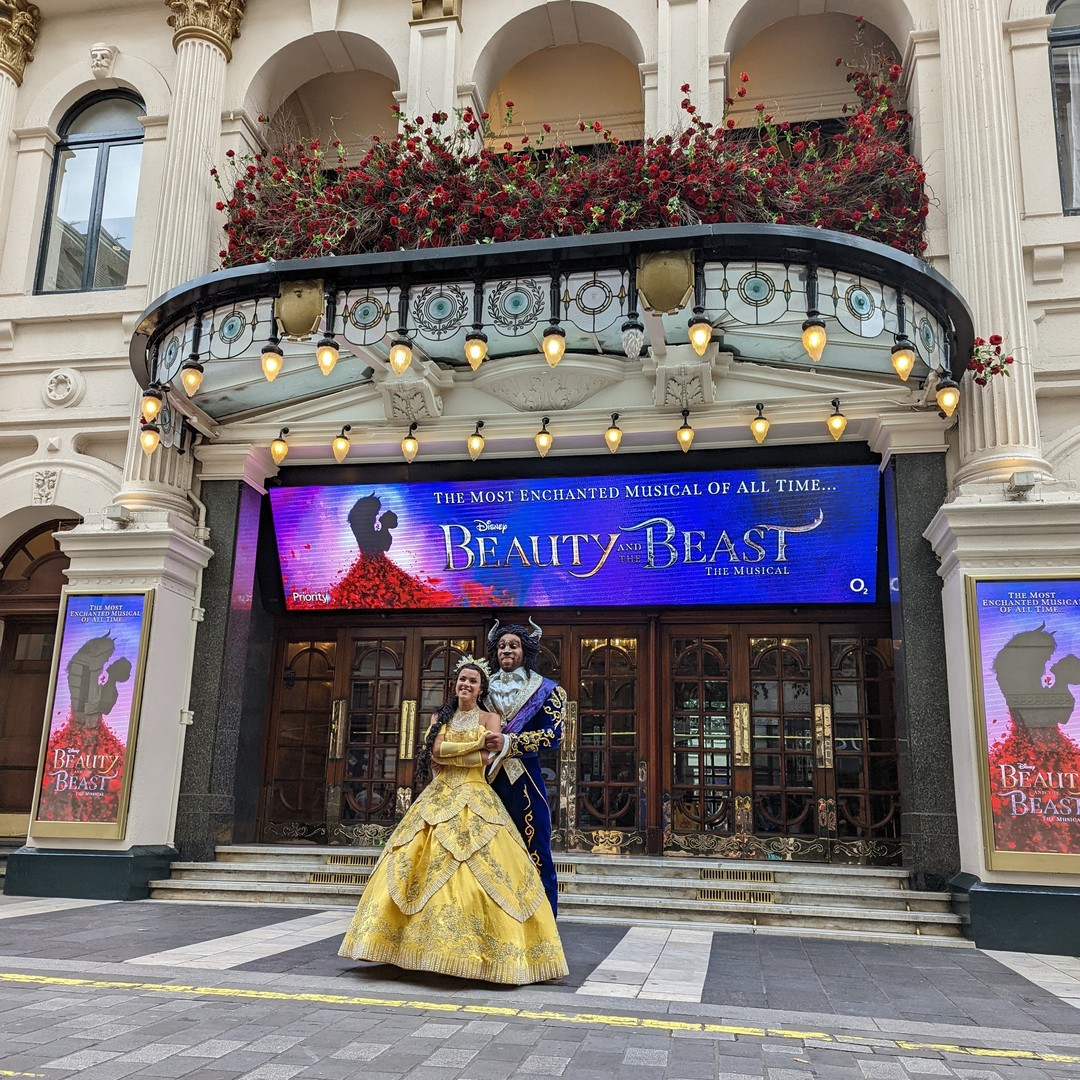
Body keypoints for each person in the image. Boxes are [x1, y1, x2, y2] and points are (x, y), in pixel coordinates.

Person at [338, 658, 567, 985]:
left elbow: (486, 759)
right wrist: (473, 744)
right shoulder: (439, 717)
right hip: (438, 797)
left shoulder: (491, 718)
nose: (466, 685)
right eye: (462, 680)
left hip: (476, 795)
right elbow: (436, 751)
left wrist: (454, 750)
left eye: (473, 681)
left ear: (481, 688)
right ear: (455, 684)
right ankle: (409, 949)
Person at [483, 619, 565, 917]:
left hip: (525, 780)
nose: (507, 650)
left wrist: (508, 742)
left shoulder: (547, 690)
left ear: (525, 650)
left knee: (536, 846)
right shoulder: (481, 687)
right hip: (483, 778)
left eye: (513, 646)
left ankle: (543, 921)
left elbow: (554, 736)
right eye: (502, 646)